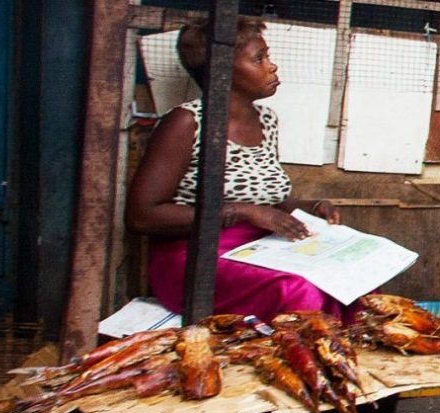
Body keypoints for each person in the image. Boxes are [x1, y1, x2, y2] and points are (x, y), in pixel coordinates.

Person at [127, 18, 346, 321]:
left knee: (347, 283)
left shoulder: (267, 120)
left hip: (258, 248)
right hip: (194, 257)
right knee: (298, 290)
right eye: (259, 59)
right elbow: (142, 216)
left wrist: (312, 206)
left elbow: (264, 201)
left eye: (267, 56)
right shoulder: (186, 122)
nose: (272, 66)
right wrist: (241, 212)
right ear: (222, 70)